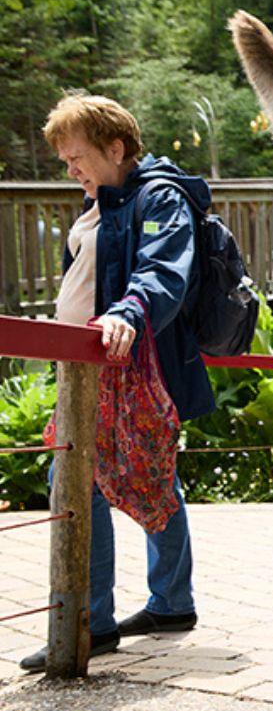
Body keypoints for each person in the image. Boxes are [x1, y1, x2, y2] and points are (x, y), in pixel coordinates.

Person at [20, 94, 213, 672]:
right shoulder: (105, 201)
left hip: (128, 370)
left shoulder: (157, 198)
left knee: (82, 477)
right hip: (94, 370)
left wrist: (129, 310)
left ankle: (94, 622)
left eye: (78, 157)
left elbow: (163, 268)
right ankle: (169, 604)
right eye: (65, 161)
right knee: (137, 479)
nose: (71, 169)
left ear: (116, 148)